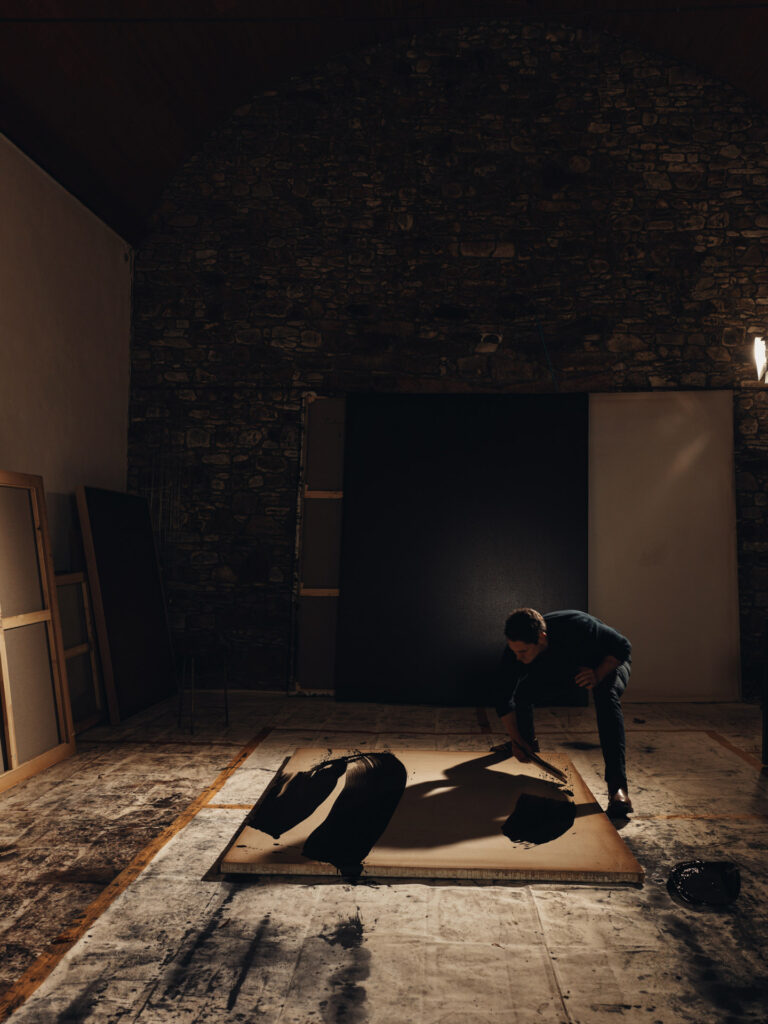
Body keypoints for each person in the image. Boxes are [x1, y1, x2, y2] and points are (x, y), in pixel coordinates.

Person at [494, 607, 633, 816]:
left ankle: (617, 788)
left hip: (608, 662)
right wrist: (517, 739)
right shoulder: (515, 651)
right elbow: (503, 697)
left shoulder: (578, 625)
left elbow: (623, 646)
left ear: (541, 639)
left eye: (523, 652)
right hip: (569, 667)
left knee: (605, 695)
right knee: (523, 692)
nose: (518, 658)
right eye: (514, 651)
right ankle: (528, 743)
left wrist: (598, 673)